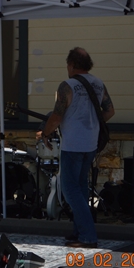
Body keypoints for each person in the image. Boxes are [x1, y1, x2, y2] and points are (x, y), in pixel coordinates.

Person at [41, 47, 114, 249]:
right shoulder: (99, 84)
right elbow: (109, 111)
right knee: (80, 188)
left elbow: (56, 117)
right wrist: (92, 123)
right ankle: (79, 231)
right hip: (91, 144)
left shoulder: (68, 86)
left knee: (70, 190)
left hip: (73, 144)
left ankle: (88, 236)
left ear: (71, 65)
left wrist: (46, 133)